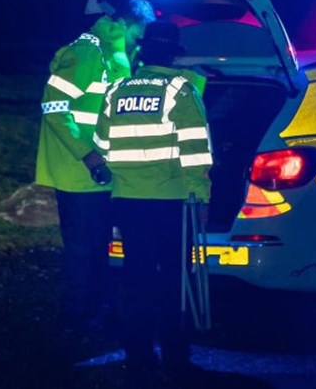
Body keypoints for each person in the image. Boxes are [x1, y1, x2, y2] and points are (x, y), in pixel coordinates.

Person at [92, 20, 212, 386]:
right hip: (171, 203)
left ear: (144, 51)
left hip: (128, 201)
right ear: (173, 54)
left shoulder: (116, 90)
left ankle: (138, 358)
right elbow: (194, 150)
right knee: (175, 282)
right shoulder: (180, 90)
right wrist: (201, 199)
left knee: (136, 280)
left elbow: (102, 146)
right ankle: (176, 361)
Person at [34, 0, 156, 339]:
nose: (141, 42)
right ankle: (74, 319)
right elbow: (54, 106)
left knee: (97, 246)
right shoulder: (87, 53)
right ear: (128, 23)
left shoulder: (116, 55)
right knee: (83, 249)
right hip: (79, 173)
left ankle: (93, 314)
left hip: (100, 173)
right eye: (140, 34)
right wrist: (88, 155)